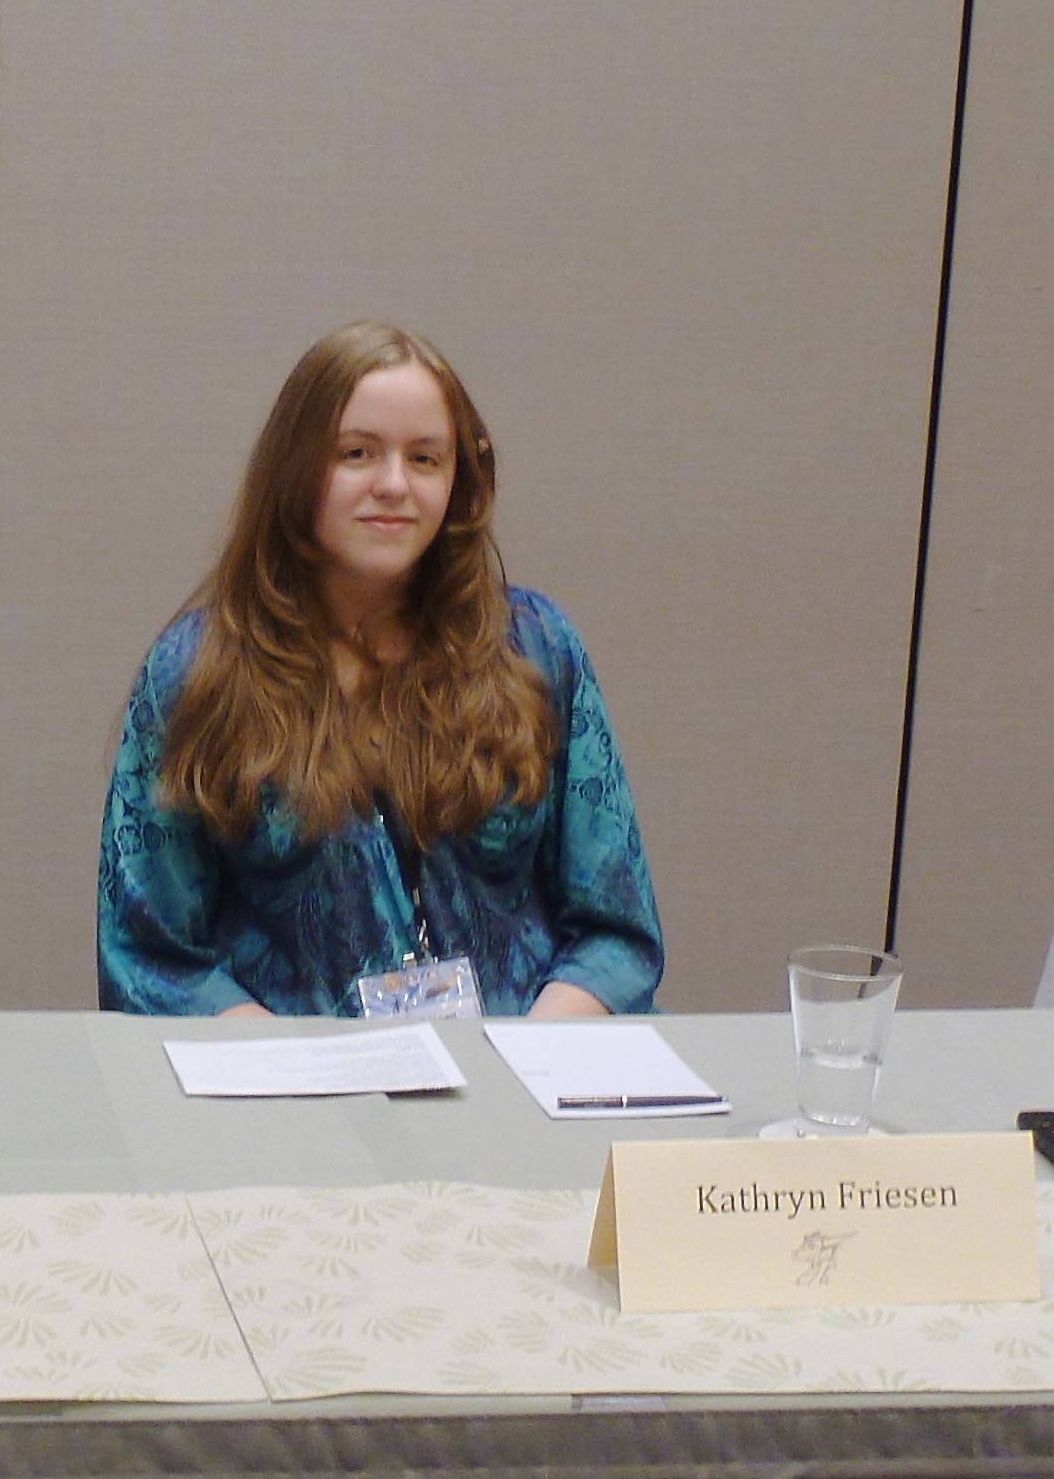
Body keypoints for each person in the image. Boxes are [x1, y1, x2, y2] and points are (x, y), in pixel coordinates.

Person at [97, 321, 664, 1018]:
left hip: (525, 1061)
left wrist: (526, 1053)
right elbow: (151, 956)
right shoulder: (195, 674)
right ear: (295, 467)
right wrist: (290, 1067)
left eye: (425, 459)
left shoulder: (537, 650)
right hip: (285, 1073)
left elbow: (615, 933)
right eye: (357, 453)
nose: (394, 485)